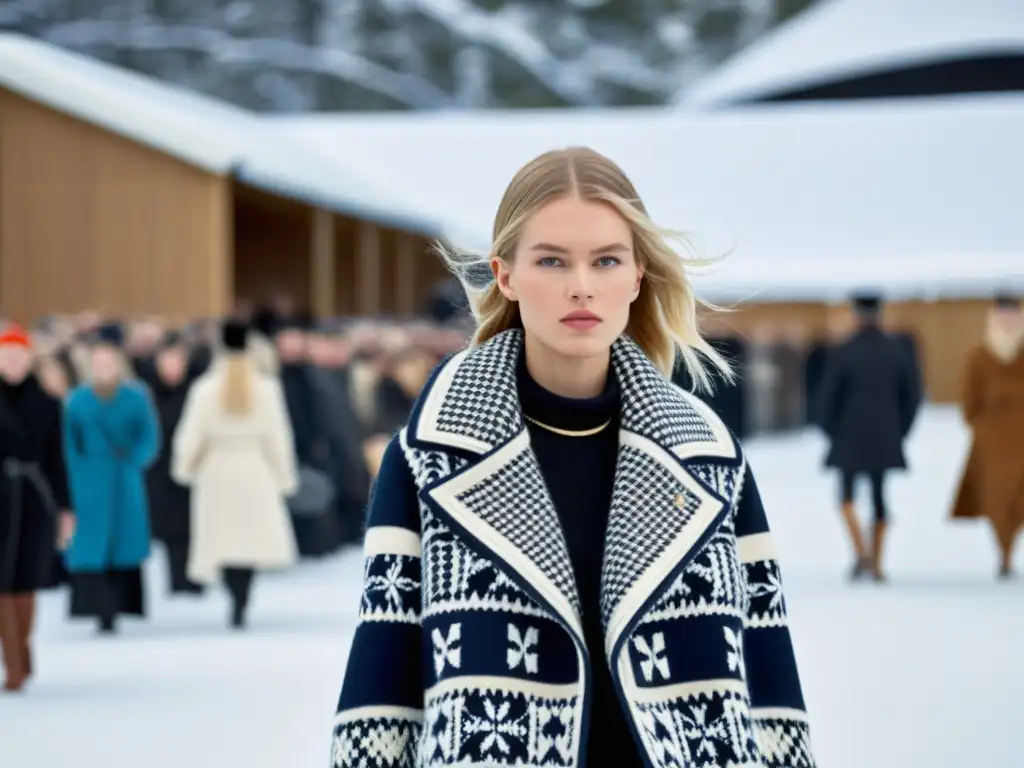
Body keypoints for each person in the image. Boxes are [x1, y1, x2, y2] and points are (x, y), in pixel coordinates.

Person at [330, 148, 815, 767]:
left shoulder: (709, 462)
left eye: (606, 260)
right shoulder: (430, 459)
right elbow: (383, 681)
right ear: (504, 275)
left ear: (637, 275)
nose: (581, 286)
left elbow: (769, 675)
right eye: (552, 260)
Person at [171, 320, 299, 629]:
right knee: (248, 541)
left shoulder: (204, 389)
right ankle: (243, 597)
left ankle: (234, 597)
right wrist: (284, 477)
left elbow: (189, 436)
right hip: (254, 469)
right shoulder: (267, 389)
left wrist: (185, 469)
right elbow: (278, 438)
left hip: (217, 471)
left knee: (225, 541)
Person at [815, 294, 921, 582]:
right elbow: (912, 397)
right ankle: (876, 562)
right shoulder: (896, 351)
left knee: (846, 497)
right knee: (879, 498)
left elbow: (827, 400)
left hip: (849, 437)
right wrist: (900, 431)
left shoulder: (844, 351)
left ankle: (861, 552)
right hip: (885, 437)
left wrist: (832, 433)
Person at [63, 324, 161, 634]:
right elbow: (68, 443)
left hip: (123, 477)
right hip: (89, 480)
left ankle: (121, 606)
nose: (104, 368)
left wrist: (135, 459)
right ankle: (95, 608)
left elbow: (149, 435)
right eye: (98, 363)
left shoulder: (136, 397)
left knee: (124, 540)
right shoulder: (76, 401)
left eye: (109, 362)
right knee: (92, 542)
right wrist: (75, 473)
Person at [0, 325, 70, 691]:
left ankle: (21, 655)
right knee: (1, 584)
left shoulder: (48, 404)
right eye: (6, 355)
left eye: (18, 356)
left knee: (25, 581)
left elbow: (58, 459)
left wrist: (65, 507)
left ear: (29, 359)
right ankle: (14, 667)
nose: (12, 362)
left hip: (34, 499)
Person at [951, 293, 1024, 579]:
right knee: (995, 497)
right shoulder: (980, 355)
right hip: (991, 437)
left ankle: (1010, 547)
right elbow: (969, 395)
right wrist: (977, 423)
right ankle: (1003, 551)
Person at [146, 332, 203, 595]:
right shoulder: (148, 392)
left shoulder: (197, 390)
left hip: (193, 469)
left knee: (195, 526)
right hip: (160, 470)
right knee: (170, 530)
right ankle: (176, 581)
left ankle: (195, 578)